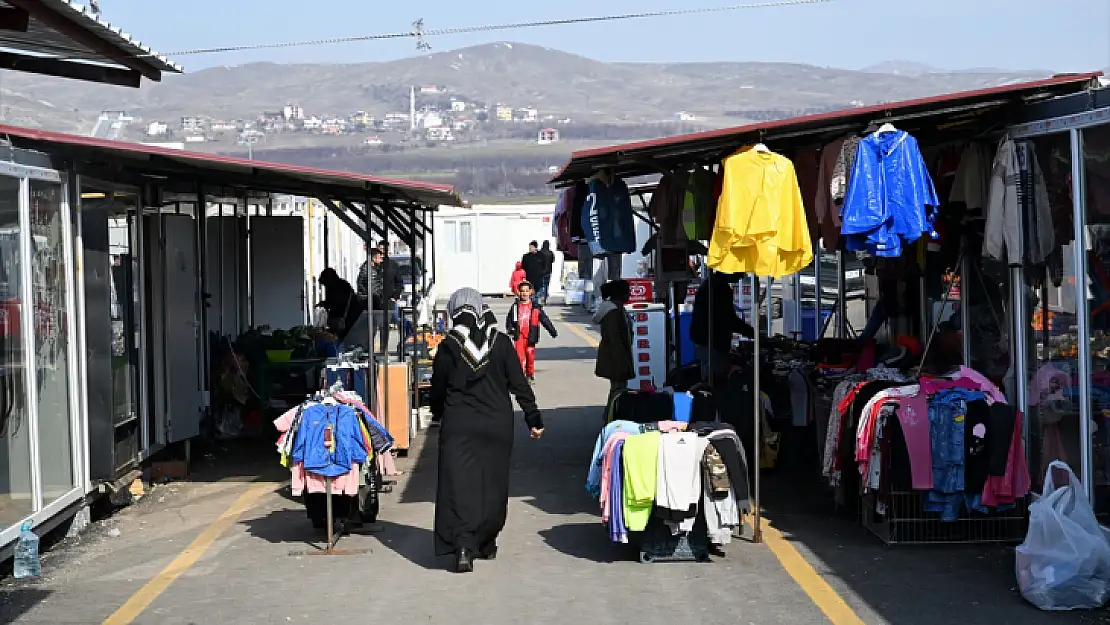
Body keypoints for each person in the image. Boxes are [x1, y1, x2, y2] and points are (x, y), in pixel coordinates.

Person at [430, 287, 544, 573]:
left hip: (459, 425)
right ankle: (487, 541)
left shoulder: (449, 345)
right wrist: (534, 418)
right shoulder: (502, 343)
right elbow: (519, 383)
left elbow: (438, 388)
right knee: (491, 484)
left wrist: (437, 413)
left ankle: (464, 546)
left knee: (458, 485)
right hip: (497, 425)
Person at [689, 271, 754, 383]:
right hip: (712, 343)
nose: (741, 277)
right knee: (717, 379)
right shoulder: (719, 289)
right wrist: (751, 332)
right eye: (739, 273)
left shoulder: (712, 284)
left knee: (710, 377)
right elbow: (728, 319)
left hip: (705, 341)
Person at [505, 281, 558, 383]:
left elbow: (544, 319)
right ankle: (519, 376)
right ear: (518, 292)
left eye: (526, 291)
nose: (524, 293)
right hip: (519, 335)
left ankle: (529, 374)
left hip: (531, 335)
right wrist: (510, 329)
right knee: (519, 357)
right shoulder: (515, 307)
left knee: (530, 355)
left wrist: (552, 331)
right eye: (522, 291)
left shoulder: (535, 307)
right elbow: (509, 319)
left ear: (531, 292)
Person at [593, 279, 634, 411]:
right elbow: (615, 339)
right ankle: (611, 416)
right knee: (618, 390)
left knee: (617, 389)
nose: (629, 295)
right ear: (619, 294)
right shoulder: (613, 312)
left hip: (617, 357)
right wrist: (622, 364)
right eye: (627, 292)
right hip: (616, 358)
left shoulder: (617, 308)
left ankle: (613, 414)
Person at [358, 247, 403, 352]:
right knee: (373, 328)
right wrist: (382, 301)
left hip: (377, 304)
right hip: (373, 305)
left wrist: (393, 297)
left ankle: (379, 350)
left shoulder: (376, 269)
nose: (382, 257)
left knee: (382, 326)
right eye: (380, 255)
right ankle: (370, 351)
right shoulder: (370, 272)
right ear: (373, 258)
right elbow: (374, 291)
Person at [315, 268, 362, 340]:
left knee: (342, 339)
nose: (325, 286)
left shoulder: (335, 287)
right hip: (351, 317)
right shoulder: (343, 284)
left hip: (345, 318)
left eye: (325, 284)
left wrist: (326, 305)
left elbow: (336, 303)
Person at [539, 240, 556, 305]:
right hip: (548, 271)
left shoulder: (540, 252)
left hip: (541, 271)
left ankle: (541, 297)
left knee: (541, 285)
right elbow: (553, 260)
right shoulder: (550, 253)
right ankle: (544, 298)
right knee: (546, 285)